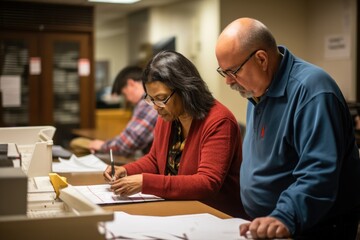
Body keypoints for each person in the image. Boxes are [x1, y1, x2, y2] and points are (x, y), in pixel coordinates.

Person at [215, 17, 360, 239]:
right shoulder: (257, 90)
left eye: (233, 71)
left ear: (262, 59)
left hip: (308, 227)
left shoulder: (312, 92)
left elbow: (318, 172)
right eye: (223, 72)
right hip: (267, 225)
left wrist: (284, 216)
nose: (228, 81)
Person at [103, 50, 247, 218]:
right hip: (181, 210)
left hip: (216, 216)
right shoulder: (169, 116)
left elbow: (207, 183)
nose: (156, 107)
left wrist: (145, 182)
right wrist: (126, 171)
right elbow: (155, 160)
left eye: (161, 98)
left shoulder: (219, 121)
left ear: (185, 90)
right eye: (151, 99)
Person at [70, 66, 158, 158]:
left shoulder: (147, 103)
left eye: (124, 94)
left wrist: (102, 146)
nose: (127, 99)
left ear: (131, 84)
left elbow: (128, 143)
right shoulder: (148, 102)